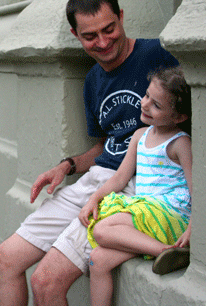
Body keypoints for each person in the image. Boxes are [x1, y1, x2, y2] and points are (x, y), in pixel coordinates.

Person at [0, 0, 179, 306]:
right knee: (6, 257)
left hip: (136, 185)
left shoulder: (156, 56)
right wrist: (65, 166)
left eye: (109, 29)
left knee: (45, 281)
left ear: (121, 17)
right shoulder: (93, 79)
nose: (103, 42)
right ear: (75, 35)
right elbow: (106, 145)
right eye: (90, 36)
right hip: (96, 178)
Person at [79, 67, 192, 306]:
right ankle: (163, 251)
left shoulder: (179, 143)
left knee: (101, 230)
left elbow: (197, 190)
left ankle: (166, 251)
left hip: (170, 215)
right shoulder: (140, 135)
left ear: (179, 117)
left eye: (157, 105)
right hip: (149, 213)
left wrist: (192, 228)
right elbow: (120, 178)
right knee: (97, 259)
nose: (145, 104)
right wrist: (94, 199)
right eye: (147, 95)